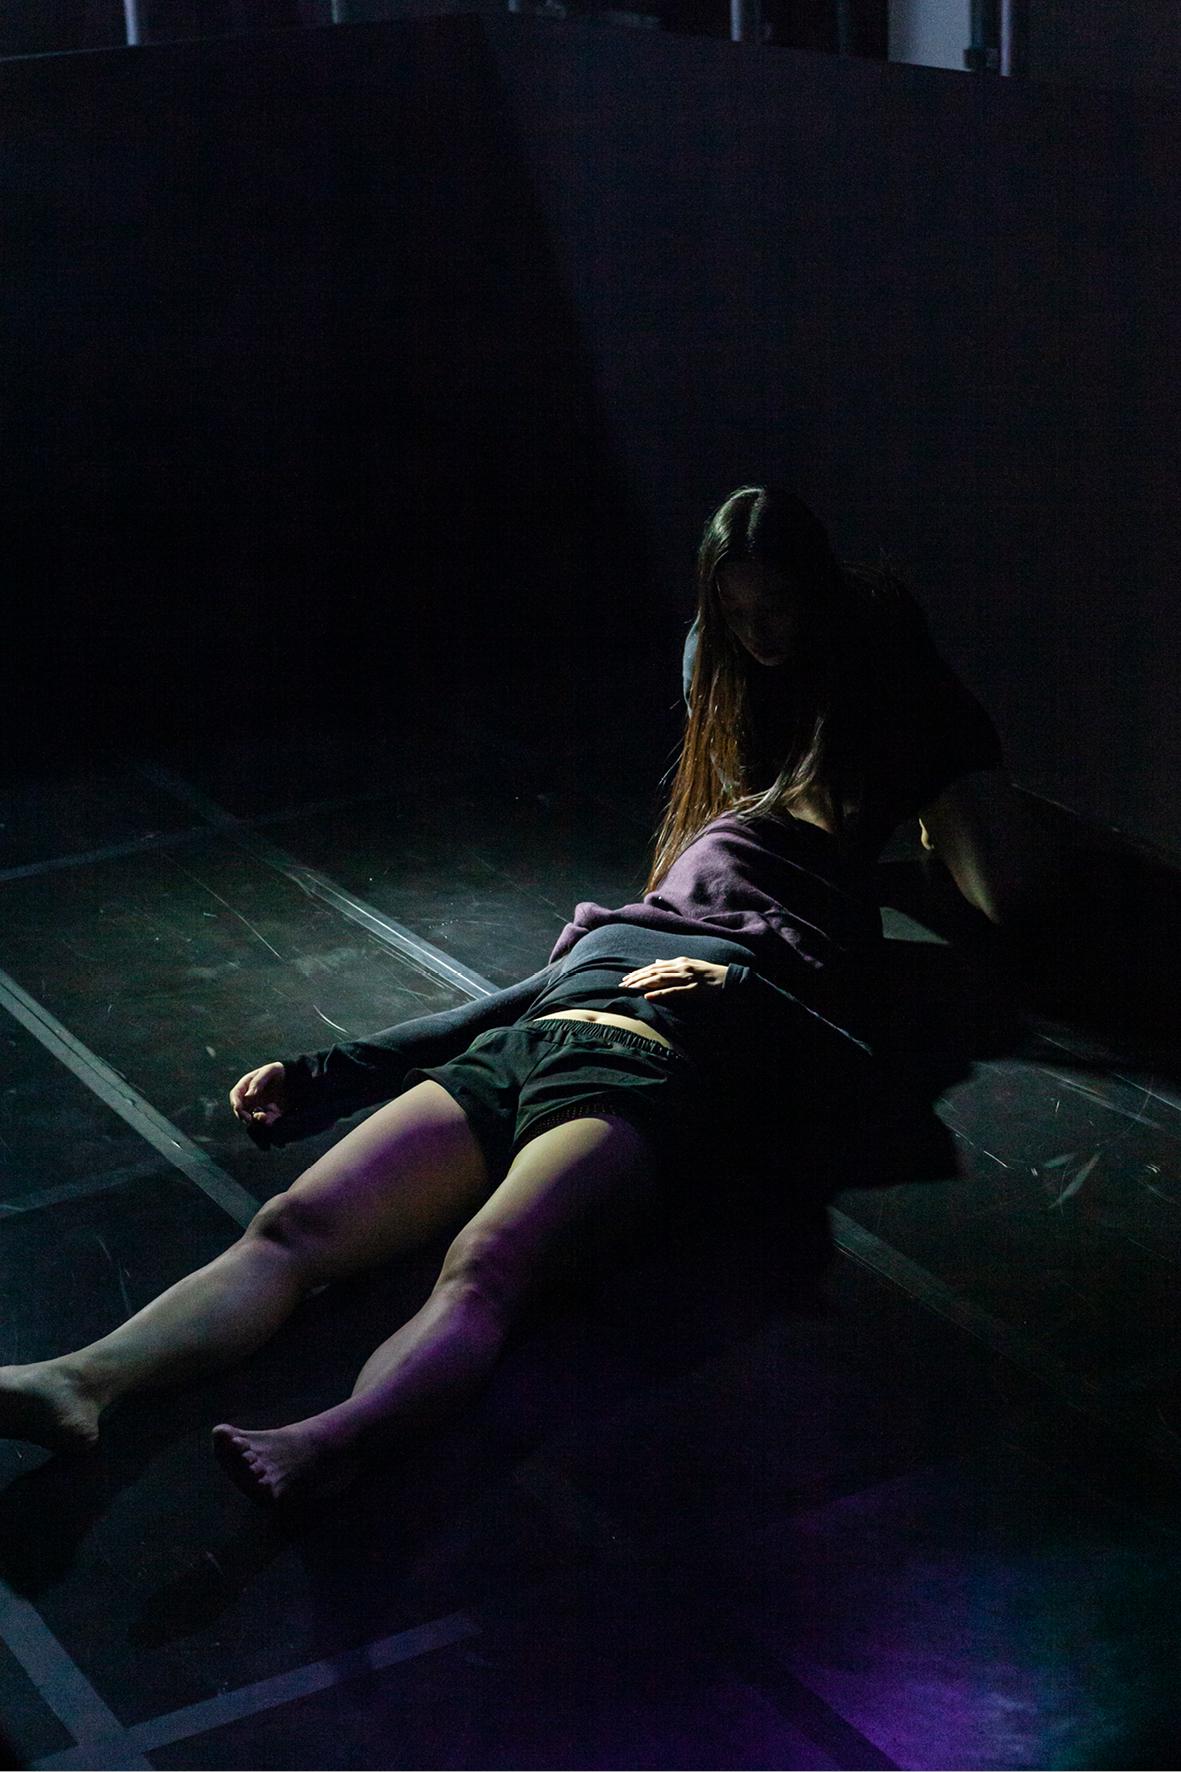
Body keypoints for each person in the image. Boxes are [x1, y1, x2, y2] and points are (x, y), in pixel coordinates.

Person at [0, 808, 878, 1507]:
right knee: (292, 1226)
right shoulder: (617, 930)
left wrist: (739, 986)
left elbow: (853, 1073)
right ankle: (79, 1382)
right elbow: (475, 1018)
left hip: (635, 1079)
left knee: (485, 1265)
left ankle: (336, 1438)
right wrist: (315, 1075)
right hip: (512, 1055)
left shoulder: (788, 962)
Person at [668, 486, 1061, 926]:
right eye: (736, 613)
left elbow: (912, 752)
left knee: (1006, 903)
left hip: (926, 752)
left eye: (774, 606)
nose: (755, 632)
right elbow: (745, 790)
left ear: (808, 588)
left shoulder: (875, 626)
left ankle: (984, 819)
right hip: (811, 777)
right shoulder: (711, 655)